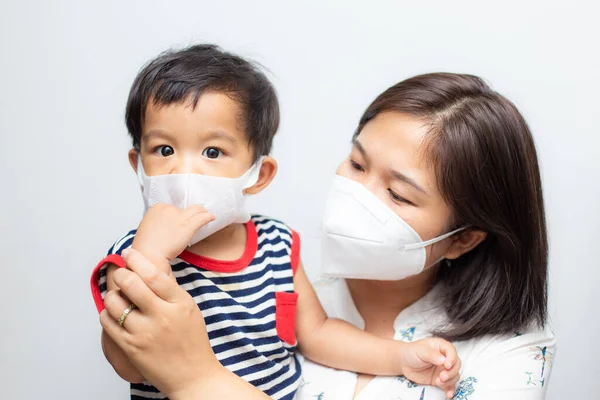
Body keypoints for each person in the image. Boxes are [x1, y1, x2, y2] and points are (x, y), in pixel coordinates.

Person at [100, 72, 556, 399]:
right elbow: (125, 360)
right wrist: (149, 258)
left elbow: (316, 334)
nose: (186, 170)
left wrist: (198, 381)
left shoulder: (277, 251)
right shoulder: (135, 255)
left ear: (463, 238)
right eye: (356, 165)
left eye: (397, 194)